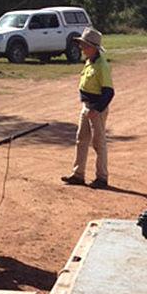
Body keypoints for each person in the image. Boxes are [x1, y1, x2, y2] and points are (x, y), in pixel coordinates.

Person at [61, 27, 113, 190]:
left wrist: (96, 109)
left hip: (95, 110)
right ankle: (78, 174)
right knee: (81, 139)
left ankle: (102, 177)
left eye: (84, 45)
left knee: (99, 143)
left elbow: (109, 92)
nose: (81, 48)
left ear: (93, 47)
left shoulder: (101, 66)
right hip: (87, 107)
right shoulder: (90, 61)